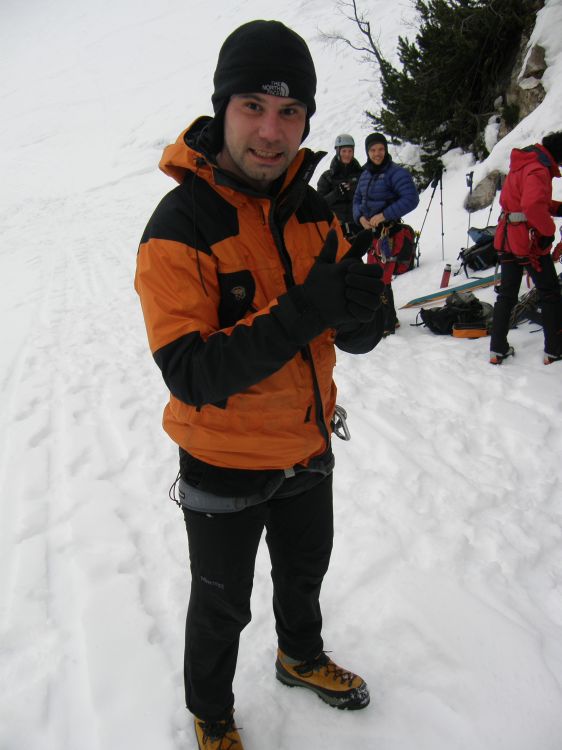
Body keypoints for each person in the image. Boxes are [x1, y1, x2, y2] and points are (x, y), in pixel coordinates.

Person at [134, 19, 386, 750]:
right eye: (253, 106)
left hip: (307, 446)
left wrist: (363, 315)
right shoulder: (179, 225)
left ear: (306, 118)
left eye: (290, 111)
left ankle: (299, 657)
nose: (272, 132)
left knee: (304, 575)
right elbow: (191, 371)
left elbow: (347, 331)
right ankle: (212, 715)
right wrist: (307, 308)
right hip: (222, 461)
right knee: (222, 606)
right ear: (222, 108)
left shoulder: (313, 211)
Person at [489, 130, 562, 365]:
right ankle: (554, 349)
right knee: (550, 292)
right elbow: (531, 205)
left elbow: (522, 200)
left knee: (507, 294)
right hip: (527, 243)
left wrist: (555, 207)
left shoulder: (523, 162)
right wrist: (548, 232)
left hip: (507, 236)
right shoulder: (539, 169)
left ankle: (497, 349)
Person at [353, 132, 419, 336]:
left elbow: (411, 199)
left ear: (386, 150)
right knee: (376, 276)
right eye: (373, 150)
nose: (377, 153)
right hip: (373, 235)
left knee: (382, 278)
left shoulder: (395, 173)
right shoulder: (365, 174)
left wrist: (384, 214)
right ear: (367, 152)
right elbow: (357, 200)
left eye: (380, 149)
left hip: (389, 234)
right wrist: (360, 217)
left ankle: (387, 322)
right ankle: (385, 318)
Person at [317, 134, 362, 239]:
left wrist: (353, 191)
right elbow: (319, 204)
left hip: (357, 227)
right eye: (344, 151)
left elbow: (367, 198)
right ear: (338, 152)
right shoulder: (327, 177)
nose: (347, 154)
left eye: (350, 151)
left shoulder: (361, 175)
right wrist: (336, 194)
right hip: (335, 228)